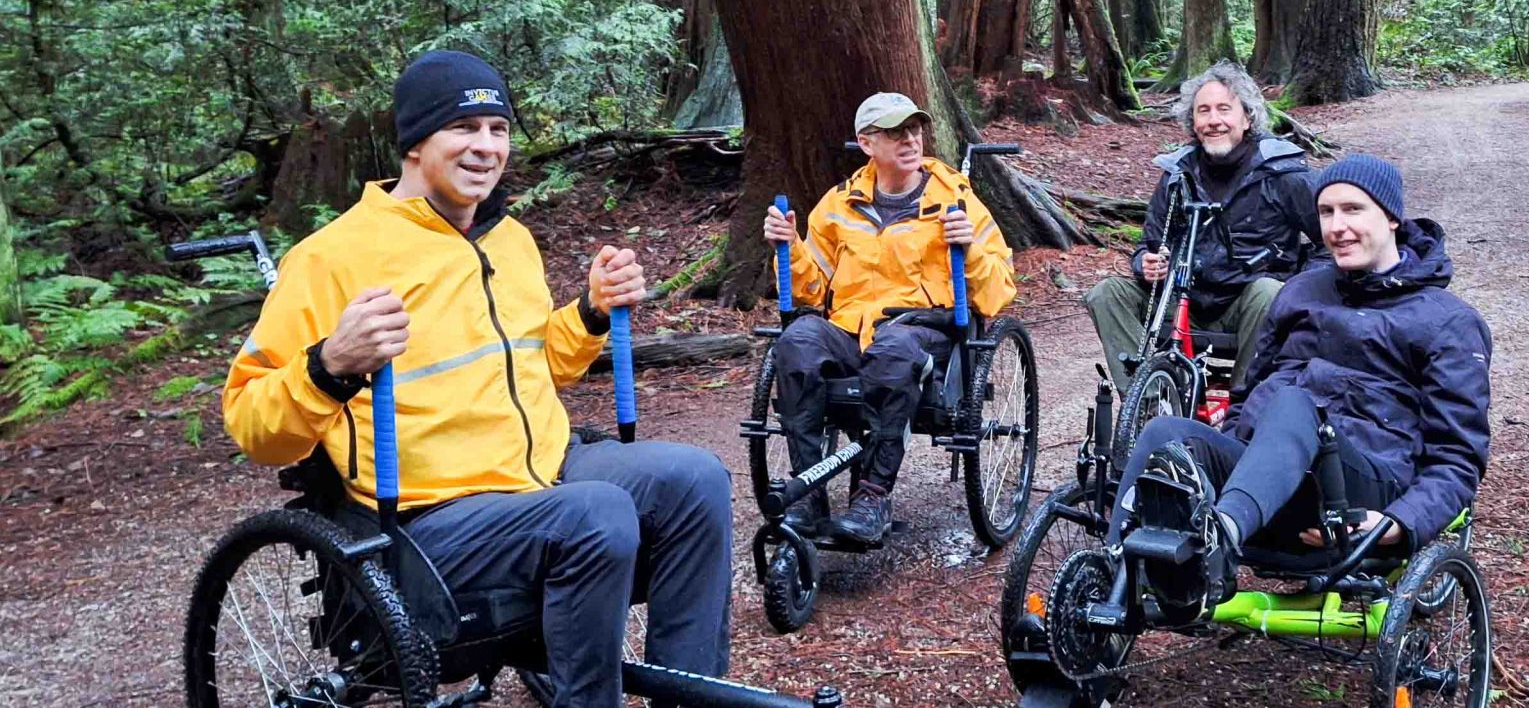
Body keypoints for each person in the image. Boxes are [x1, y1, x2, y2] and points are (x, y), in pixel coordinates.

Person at [224, 50, 732, 707]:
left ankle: (693, 698)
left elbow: (536, 368)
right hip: (426, 517)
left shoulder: (509, 239)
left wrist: (590, 313)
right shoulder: (331, 258)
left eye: (498, 129)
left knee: (696, 480)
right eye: (463, 128)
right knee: (595, 512)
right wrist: (330, 364)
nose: (486, 147)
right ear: (414, 143)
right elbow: (252, 426)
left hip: (541, 476)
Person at [1109, 153, 1492, 611]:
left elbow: (1457, 458)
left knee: (1294, 403)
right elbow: (1247, 395)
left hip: (1355, 493)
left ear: (1391, 218)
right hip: (1268, 489)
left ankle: (1221, 536)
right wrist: (1227, 459)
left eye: (1354, 210)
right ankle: (1111, 587)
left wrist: (1396, 523)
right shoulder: (1301, 291)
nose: (1337, 226)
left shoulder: (1449, 321)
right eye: (1326, 213)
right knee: (1165, 433)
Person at [762, 91, 1016, 545]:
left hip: (923, 331)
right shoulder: (839, 203)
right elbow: (812, 289)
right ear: (866, 143)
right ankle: (807, 492)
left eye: (914, 129)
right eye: (895, 132)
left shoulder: (957, 199)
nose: (909, 140)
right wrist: (790, 247)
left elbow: (999, 290)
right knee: (797, 341)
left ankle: (873, 495)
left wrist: (971, 249)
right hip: (850, 330)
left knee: (894, 351)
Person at [1083, 61, 1320, 394]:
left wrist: (1304, 287)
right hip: (1184, 302)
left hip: (1250, 307)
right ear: (1192, 123)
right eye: (1203, 111)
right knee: (1107, 293)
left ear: (1247, 117)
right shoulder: (1177, 174)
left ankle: (1244, 407)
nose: (1214, 120)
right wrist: (1145, 264)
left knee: (1270, 291)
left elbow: (1331, 242)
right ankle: (1148, 402)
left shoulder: (1282, 173)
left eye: (1224, 109)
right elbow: (1149, 244)